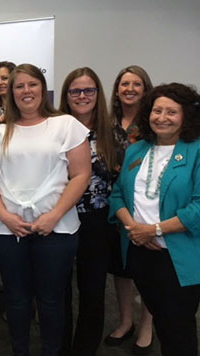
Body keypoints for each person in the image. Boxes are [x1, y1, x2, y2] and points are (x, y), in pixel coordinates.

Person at [0, 63, 91, 356]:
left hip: (58, 228)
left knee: (52, 301)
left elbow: (81, 175)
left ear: (43, 88)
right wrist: (4, 216)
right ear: (10, 93)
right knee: (16, 300)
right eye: (19, 86)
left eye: (32, 84)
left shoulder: (66, 125)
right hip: (7, 230)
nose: (26, 91)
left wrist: (54, 216)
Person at [108, 83, 200, 356]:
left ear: (186, 116)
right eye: (157, 110)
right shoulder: (137, 151)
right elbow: (117, 197)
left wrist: (154, 230)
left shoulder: (195, 151)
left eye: (171, 111)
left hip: (179, 258)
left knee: (179, 329)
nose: (162, 117)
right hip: (140, 253)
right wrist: (135, 229)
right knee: (162, 321)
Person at [58, 67, 126, 356]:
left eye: (89, 90)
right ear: (66, 95)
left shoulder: (114, 134)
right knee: (57, 290)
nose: (82, 96)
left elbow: (122, 181)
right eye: (75, 91)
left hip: (98, 221)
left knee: (92, 290)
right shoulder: (53, 128)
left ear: (98, 94)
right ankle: (59, 347)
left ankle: (83, 349)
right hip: (59, 217)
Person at [105, 65, 155, 354]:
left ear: (145, 89)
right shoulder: (109, 121)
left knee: (146, 270)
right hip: (113, 206)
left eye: (136, 84)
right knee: (120, 269)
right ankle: (125, 321)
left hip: (144, 206)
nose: (130, 89)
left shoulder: (153, 122)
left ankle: (147, 324)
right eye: (124, 84)